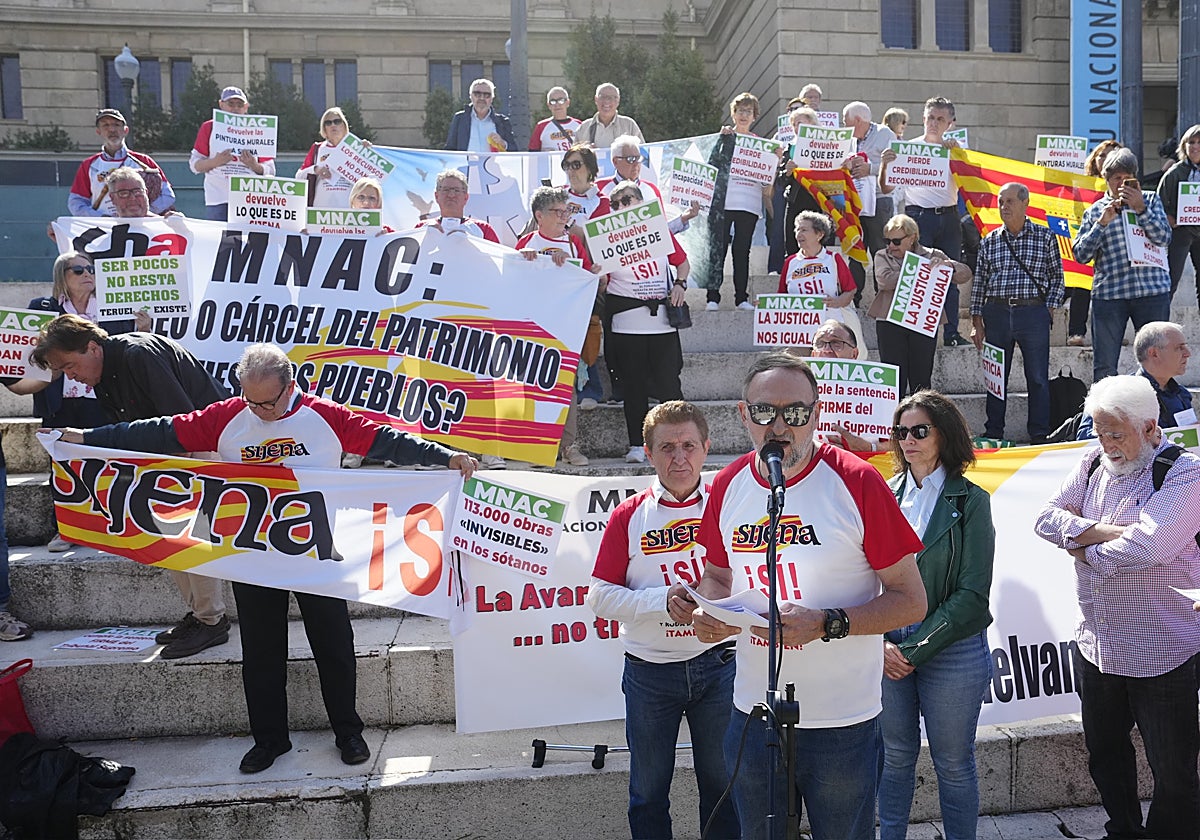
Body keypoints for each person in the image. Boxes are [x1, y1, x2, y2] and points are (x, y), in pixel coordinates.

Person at [57, 343, 477, 774]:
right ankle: (269, 740)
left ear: (290, 386)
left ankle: (349, 733)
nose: (260, 411)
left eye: (269, 402)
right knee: (260, 649)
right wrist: (88, 439)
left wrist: (444, 455)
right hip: (253, 554)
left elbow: (388, 441)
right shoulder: (226, 416)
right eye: (251, 401)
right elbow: (158, 432)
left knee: (333, 644)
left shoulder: (324, 416)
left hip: (319, 554)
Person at [677, 351, 927, 840]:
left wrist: (828, 622)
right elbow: (717, 578)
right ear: (742, 414)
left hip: (842, 721)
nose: (780, 425)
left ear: (816, 413)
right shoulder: (727, 485)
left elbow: (911, 599)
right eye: (765, 411)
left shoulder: (857, 481)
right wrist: (708, 612)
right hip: (753, 715)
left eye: (795, 413)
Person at [1035, 374, 1200, 840]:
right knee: (1104, 754)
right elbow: (1045, 519)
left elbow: (1147, 547)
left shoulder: (1185, 471)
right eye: (1099, 431)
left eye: (1115, 433)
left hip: (1166, 649)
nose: (1105, 443)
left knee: (1174, 769)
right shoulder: (1090, 462)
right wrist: (1108, 531)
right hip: (1098, 647)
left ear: (1149, 428)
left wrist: (1082, 545)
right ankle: (1123, 830)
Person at [30, 315, 231, 659]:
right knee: (168, 533)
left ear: (92, 347)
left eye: (68, 365)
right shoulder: (103, 372)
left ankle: (212, 621)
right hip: (168, 451)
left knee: (192, 532)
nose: (70, 376)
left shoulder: (138, 354)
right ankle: (200, 616)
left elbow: (183, 428)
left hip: (205, 443)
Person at [587, 400, 739, 840]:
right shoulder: (628, 514)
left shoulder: (728, 507)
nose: (679, 457)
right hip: (650, 674)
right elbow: (598, 596)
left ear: (706, 447)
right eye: (667, 447)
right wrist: (660, 600)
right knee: (648, 793)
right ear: (648, 453)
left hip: (719, 668)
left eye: (689, 445)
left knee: (723, 787)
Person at [878, 390, 995, 840]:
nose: (908, 440)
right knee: (893, 755)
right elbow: (865, 580)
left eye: (919, 431)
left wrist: (913, 648)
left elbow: (972, 597)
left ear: (944, 435)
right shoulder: (884, 494)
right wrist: (881, 643)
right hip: (887, 646)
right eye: (901, 431)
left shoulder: (971, 500)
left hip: (952, 649)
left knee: (953, 761)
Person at [26, 251, 149, 552]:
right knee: (64, 464)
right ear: (61, 276)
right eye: (77, 269)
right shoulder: (42, 309)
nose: (86, 274)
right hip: (61, 401)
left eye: (90, 268)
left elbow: (128, 347)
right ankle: (67, 530)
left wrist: (143, 328)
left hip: (104, 397)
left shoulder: (115, 307)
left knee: (112, 462)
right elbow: (30, 359)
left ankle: (116, 524)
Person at [968, 182, 1066, 445]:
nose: (1004, 207)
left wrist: (1049, 308)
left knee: (1037, 378)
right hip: (996, 312)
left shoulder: (1044, 236)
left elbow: (1058, 277)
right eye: (1001, 201)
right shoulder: (990, 240)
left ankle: (1039, 433)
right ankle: (994, 432)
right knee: (995, 377)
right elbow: (980, 283)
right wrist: (976, 321)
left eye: (1010, 201)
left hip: (1032, 312)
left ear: (1026, 203)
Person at [604, 181, 690, 465]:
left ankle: (680, 440)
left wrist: (680, 284)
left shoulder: (658, 228)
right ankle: (637, 445)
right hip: (626, 322)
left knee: (669, 385)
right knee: (634, 387)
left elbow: (683, 262)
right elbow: (601, 280)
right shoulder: (606, 236)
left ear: (641, 202)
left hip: (661, 322)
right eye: (615, 203)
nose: (621, 207)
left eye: (627, 200)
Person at [1072, 147, 1173, 383]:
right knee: (1105, 365)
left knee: (1157, 362)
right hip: (1111, 296)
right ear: (1106, 180)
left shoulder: (1150, 200)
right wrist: (1101, 224)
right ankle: (1105, 417)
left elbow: (1164, 238)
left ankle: (1158, 414)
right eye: (1117, 178)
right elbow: (1081, 255)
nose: (1122, 183)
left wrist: (1141, 209)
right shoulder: (1095, 211)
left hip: (1152, 292)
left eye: (1127, 177)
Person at [517, 186, 601, 467]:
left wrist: (580, 270)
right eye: (558, 211)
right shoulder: (525, 244)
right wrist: (525, 263)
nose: (564, 216)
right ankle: (534, 445)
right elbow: (509, 284)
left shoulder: (574, 244)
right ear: (539, 215)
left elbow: (593, 278)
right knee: (531, 387)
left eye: (567, 211)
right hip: (533, 329)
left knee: (567, 388)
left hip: (567, 328)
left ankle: (568, 445)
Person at [879, 97, 968, 347]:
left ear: (951, 123)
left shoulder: (957, 150)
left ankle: (951, 332)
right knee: (916, 275)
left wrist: (958, 156)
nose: (934, 123)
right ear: (923, 118)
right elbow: (886, 187)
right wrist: (885, 165)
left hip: (949, 217)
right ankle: (916, 330)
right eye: (930, 117)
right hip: (916, 219)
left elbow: (972, 185)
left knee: (948, 274)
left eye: (940, 119)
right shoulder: (907, 148)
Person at [868, 213, 972, 396]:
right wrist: (922, 269)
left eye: (897, 241)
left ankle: (921, 422)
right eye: (888, 241)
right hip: (890, 322)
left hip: (922, 322)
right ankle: (894, 421)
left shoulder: (933, 254)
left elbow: (965, 275)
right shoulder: (881, 255)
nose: (891, 246)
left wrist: (948, 265)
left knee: (922, 378)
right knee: (893, 379)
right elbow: (884, 280)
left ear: (912, 238)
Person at [706, 93, 772, 312]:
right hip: (723, 204)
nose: (744, 115)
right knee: (718, 250)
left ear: (754, 116)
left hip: (749, 204)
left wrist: (776, 158)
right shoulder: (724, 137)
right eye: (740, 111)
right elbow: (710, 164)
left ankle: (741, 298)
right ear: (733, 114)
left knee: (742, 252)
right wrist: (720, 141)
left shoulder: (761, 145)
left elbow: (767, 177)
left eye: (748, 111)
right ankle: (712, 298)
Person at [559, 144, 611, 411]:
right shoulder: (557, 198)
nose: (571, 171)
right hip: (561, 277)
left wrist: (578, 230)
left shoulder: (603, 201)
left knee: (588, 333)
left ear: (591, 169)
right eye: (567, 165)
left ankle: (591, 387)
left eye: (576, 165)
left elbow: (605, 241)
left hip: (592, 277)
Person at [1076, 320, 1194, 439]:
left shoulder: (1181, 395)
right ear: (1154, 353)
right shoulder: (1116, 393)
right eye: (1179, 348)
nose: (1188, 353)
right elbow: (1085, 439)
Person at [1066, 140, 1124, 346]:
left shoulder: (1123, 186)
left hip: (1112, 248)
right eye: (1102, 155)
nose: (1106, 158)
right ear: (1094, 159)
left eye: (1112, 154)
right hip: (1086, 240)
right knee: (1082, 285)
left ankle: (1117, 332)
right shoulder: (1079, 184)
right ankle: (1076, 332)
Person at [778, 210, 864, 350]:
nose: (798, 234)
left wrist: (838, 302)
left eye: (804, 229)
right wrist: (765, 305)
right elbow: (782, 295)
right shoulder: (790, 262)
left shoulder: (833, 259)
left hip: (830, 333)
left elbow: (850, 289)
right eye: (797, 229)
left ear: (819, 234)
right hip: (799, 334)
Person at [68, 109, 176, 218]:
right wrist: (100, 218)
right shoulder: (89, 165)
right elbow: (76, 202)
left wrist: (141, 213)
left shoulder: (144, 161)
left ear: (126, 130)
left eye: (117, 125)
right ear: (98, 131)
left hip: (139, 226)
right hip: (103, 228)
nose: (112, 129)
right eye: (106, 125)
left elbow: (167, 196)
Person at [189, 86, 274, 221]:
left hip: (250, 200)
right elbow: (194, 165)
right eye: (230, 104)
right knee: (219, 240)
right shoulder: (209, 127)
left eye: (239, 105)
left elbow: (270, 170)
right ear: (221, 105)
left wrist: (254, 165)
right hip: (218, 199)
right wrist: (215, 162)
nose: (235, 108)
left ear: (246, 107)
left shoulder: (258, 129)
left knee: (249, 241)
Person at [842, 101, 898, 303]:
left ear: (858, 120)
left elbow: (895, 164)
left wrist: (870, 169)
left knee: (880, 251)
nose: (843, 125)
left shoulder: (885, 135)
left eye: (845, 120)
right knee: (855, 250)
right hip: (855, 202)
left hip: (879, 202)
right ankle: (853, 299)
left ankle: (881, 298)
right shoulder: (849, 139)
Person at [807, 319, 883, 452]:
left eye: (836, 343)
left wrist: (869, 447)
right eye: (820, 343)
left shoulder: (878, 393)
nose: (826, 350)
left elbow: (896, 443)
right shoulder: (798, 389)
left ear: (854, 354)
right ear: (813, 354)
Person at [598, 135, 697, 235]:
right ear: (615, 162)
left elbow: (661, 232)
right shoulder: (599, 188)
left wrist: (683, 219)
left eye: (639, 158)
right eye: (631, 159)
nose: (636, 164)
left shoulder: (652, 189)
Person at [1156, 124, 1200, 302]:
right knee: (1171, 280)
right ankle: (1161, 326)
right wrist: (1170, 219)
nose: (1195, 146)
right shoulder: (1174, 172)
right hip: (1180, 232)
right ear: (1184, 146)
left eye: (1199, 142)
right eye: (1191, 142)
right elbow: (1158, 203)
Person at [416, 170, 500, 242]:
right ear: (436, 196)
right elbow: (408, 258)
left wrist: (471, 242)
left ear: (466, 197)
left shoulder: (483, 229)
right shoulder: (422, 228)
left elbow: (499, 259)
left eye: (457, 190)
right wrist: (425, 238)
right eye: (446, 190)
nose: (451, 195)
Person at [297, 107, 358, 207]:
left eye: (337, 121)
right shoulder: (317, 148)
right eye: (328, 123)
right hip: (321, 211)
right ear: (324, 128)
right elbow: (299, 176)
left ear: (344, 125)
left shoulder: (356, 148)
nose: (333, 125)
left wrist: (367, 149)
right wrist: (316, 169)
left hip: (349, 211)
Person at [444, 78, 515, 153]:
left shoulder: (502, 122)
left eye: (487, 95)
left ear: (492, 98)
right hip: (466, 164)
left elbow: (514, 151)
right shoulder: (460, 119)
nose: (482, 98)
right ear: (471, 96)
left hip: (492, 164)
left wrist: (503, 143)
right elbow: (450, 149)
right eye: (477, 94)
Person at [577, 83, 643, 150]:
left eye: (612, 97)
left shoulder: (629, 125)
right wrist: (585, 152)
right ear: (596, 99)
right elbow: (573, 156)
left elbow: (643, 153)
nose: (607, 101)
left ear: (618, 101)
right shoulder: (584, 128)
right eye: (602, 97)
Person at [529, 86, 582, 152]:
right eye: (553, 101)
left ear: (568, 102)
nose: (557, 105)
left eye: (561, 100)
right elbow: (532, 154)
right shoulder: (541, 127)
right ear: (548, 105)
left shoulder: (579, 125)